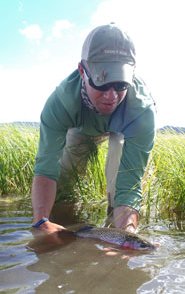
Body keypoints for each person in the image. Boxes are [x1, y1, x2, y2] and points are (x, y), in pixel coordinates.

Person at [32, 23, 156, 235]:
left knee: (118, 176)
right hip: (81, 127)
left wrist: (126, 236)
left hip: (124, 130)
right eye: (100, 82)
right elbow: (45, 170)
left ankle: (114, 219)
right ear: (82, 71)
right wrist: (41, 222)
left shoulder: (142, 110)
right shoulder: (60, 102)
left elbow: (130, 186)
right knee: (64, 177)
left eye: (120, 85)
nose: (111, 96)